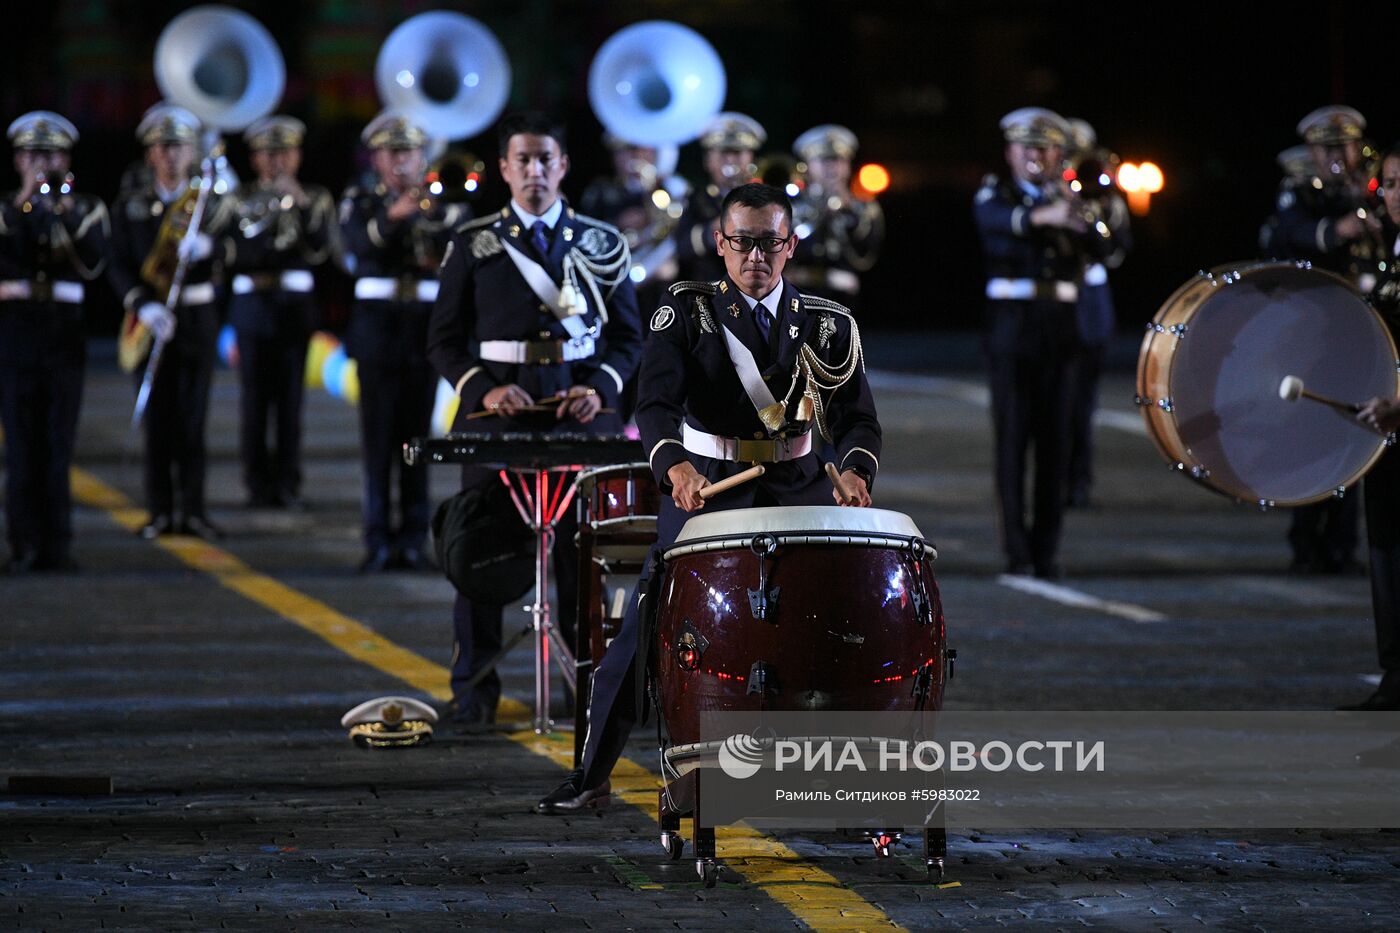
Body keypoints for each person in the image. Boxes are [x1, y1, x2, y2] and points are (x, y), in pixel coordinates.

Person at [536, 181, 880, 813]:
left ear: (790, 245)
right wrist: (675, 471)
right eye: (742, 243)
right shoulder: (686, 311)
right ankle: (590, 775)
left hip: (798, 487)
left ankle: (846, 779)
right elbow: (655, 405)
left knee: (837, 619)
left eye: (770, 244)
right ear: (721, 245)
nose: (756, 257)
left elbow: (859, 420)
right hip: (707, 489)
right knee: (648, 617)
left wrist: (855, 471)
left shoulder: (829, 326)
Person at [427, 112, 642, 727]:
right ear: (503, 169)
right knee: (480, 551)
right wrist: (482, 393)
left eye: (545, 158)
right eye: (522, 160)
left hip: (579, 417)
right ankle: (474, 692)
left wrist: (600, 388)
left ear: (563, 165)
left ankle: (586, 692)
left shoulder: (602, 243)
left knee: (585, 556)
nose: (534, 171)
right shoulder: (473, 243)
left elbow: (628, 338)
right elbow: (443, 341)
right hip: (500, 415)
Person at [973, 107, 1111, 578]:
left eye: (1045, 148)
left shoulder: (1078, 196)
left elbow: (1111, 248)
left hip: (1061, 328)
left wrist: (1091, 216)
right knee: (1011, 441)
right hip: (1011, 327)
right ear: (1011, 152)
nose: (1035, 156)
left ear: (1059, 154)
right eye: (1027, 148)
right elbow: (993, 223)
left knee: (1057, 440)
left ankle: (1047, 549)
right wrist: (1043, 215)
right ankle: (1016, 550)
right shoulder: (997, 192)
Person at [339, 111, 468, 572]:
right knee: (377, 441)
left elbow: (457, 252)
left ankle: (413, 538)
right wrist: (398, 213)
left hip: (422, 328)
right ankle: (377, 538)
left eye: (410, 153)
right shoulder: (360, 198)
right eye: (393, 153)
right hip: (377, 328)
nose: (402, 162)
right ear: (376, 157)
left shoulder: (443, 201)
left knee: (417, 440)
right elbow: (361, 246)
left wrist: (428, 213)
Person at [107, 104, 230, 541]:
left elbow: (233, 250)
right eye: (163, 147)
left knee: (194, 420)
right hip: (151, 319)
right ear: (150, 154)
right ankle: (160, 511)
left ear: (192, 151)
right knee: (159, 422)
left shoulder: (207, 204)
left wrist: (209, 249)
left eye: (179, 146)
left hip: (196, 317)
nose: (172, 155)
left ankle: (193, 510)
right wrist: (142, 303)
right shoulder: (132, 207)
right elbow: (117, 263)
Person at [1270, 105, 1380, 575]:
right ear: (1312, 153)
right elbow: (1284, 236)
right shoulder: (1300, 193)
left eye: (1345, 146)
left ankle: (1342, 543)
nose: (1337, 156)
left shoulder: (1378, 190)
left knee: (1356, 428)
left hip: (1362, 328)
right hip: (1312, 331)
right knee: (1308, 432)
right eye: (1327, 148)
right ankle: (1305, 541)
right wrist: (1340, 229)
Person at [0, 111, 108, 572]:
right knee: (21, 444)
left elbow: (92, 264)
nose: (40, 164)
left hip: (63, 334)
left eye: (49, 155)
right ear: (17, 160)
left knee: (58, 441)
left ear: (65, 159)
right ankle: (23, 544)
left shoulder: (86, 210)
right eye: (30, 155)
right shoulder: (5, 210)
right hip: (17, 335)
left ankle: (58, 545)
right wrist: (25, 202)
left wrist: (62, 213)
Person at [225, 115, 338, 510]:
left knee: (291, 402)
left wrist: (300, 205)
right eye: (269, 154)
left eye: (285, 153)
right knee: (254, 401)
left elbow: (322, 251)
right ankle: (256, 483)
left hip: (295, 309)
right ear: (255, 158)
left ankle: (288, 482)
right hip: (254, 306)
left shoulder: (315, 197)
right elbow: (237, 254)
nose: (278, 161)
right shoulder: (239, 199)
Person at [1341, 144, 1400, 713]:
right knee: (1386, 558)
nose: (1399, 194)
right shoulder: (1392, 254)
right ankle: (1396, 690)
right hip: (1387, 437)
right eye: (1393, 183)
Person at [1062, 117, 1131, 508]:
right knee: (1057, 400)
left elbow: (1117, 250)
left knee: (1084, 403)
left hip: (1090, 303)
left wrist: (1103, 201)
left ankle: (1079, 481)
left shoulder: (1105, 198)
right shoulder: (1056, 192)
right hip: (1062, 302)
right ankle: (1058, 479)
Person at [788, 124, 884, 308]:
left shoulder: (864, 208)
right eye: (823, 160)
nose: (831, 167)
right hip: (799, 297)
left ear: (848, 166)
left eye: (838, 160)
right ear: (807, 166)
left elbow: (866, 255)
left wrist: (848, 211)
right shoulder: (792, 206)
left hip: (845, 301)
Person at [673, 112, 764, 284]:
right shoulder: (694, 198)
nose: (730, 160)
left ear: (751, 158)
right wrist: (713, 230)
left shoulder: (766, 200)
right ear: (707, 161)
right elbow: (682, 248)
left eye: (737, 153)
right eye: (722, 153)